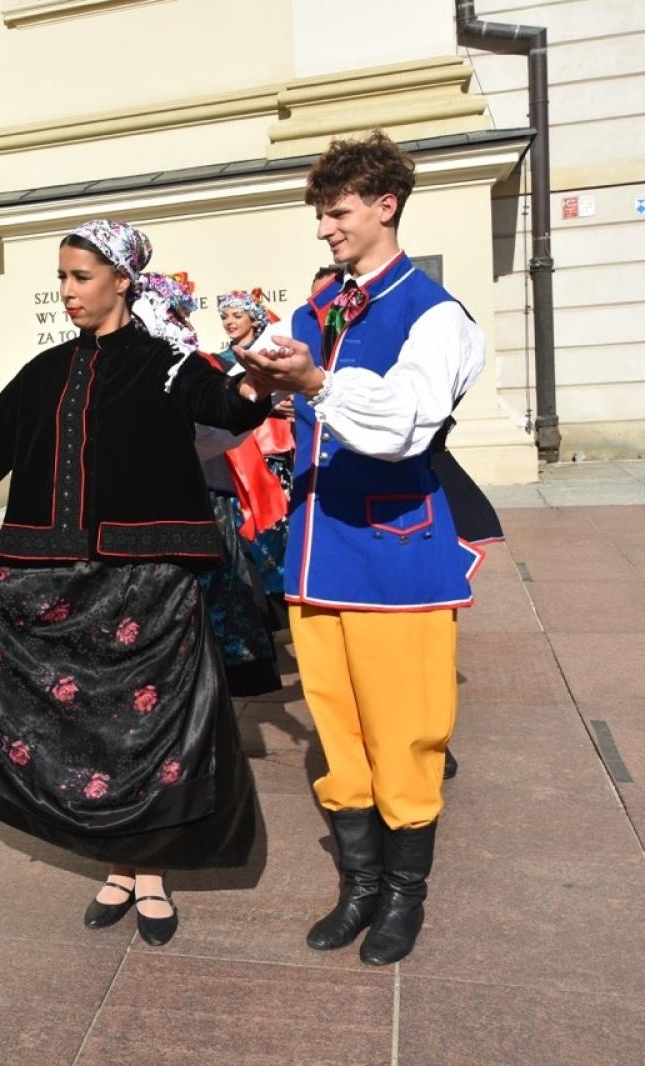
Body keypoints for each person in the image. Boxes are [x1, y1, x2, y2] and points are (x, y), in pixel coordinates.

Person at [0, 220, 270, 947]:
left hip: (151, 585)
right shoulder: (44, 373)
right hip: (60, 582)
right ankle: (114, 862)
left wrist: (260, 381)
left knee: (149, 733)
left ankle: (150, 871)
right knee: (87, 729)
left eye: (80, 277)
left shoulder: (171, 365)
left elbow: (230, 408)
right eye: (61, 278)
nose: (67, 293)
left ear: (123, 280)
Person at [235, 132, 486, 966]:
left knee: (405, 733)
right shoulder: (317, 311)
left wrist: (312, 383)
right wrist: (251, 380)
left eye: (336, 212)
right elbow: (267, 396)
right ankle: (359, 887)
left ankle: (403, 896)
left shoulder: (436, 313)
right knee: (338, 733)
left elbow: (407, 420)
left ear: (385, 206)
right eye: (320, 213)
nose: (324, 229)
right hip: (316, 553)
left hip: (393, 554)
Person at [190, 284, 290, 696]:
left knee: (270, 532)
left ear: (254, 318)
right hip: (234, 451)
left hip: (267, 450)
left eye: (237, 315)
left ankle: (278, 607)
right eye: (225, 316)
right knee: (243, 538)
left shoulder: (267, 351)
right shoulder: (213, 360)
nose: (230, 322)